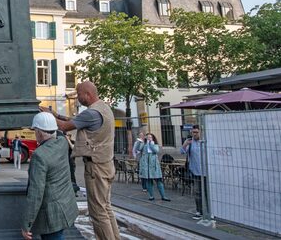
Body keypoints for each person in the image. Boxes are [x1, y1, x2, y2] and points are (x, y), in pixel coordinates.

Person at [47, 81, 120, 240]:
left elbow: (66, 126)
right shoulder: (104, 108)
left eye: (79, 94)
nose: (78, 97)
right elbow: (77, 120)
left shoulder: (91, 113)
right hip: (106, 165)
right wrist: (56, 115)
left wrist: (47, 117)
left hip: (96, 168)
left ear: (87, 94)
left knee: (98, 212)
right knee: (106, 208)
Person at [21, 113, 78, 240]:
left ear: (39, 133)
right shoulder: (62, 142)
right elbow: (59, 133)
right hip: (66, 207)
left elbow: (36, 194)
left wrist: (27, 225)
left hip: (52, 216)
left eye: (35, 130)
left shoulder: (39, 155)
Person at [181, 125, 206, 220]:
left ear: (200, 132)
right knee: (198, 192)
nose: (194, 134)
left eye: (196, 132)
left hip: (206, 172)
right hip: (196, 172)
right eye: (193, 132)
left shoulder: (205, 141)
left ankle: (209, 212)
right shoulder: (190, 142)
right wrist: (185, 144)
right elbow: (182, 151)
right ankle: (199, 211)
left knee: (207, 193)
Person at [136, 133, 171, 202]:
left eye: (150, 137)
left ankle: (163, 196)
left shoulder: (154, 144)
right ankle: (151, 195)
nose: (149, 138)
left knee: (159, 181)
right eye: (148, 137)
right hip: (146, 165)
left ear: (153, 138)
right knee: (149, 181)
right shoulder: (144, 145)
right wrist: (139, 142)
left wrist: (151, 144)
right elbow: (138, 149)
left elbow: (156, 151)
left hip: (154, 165)